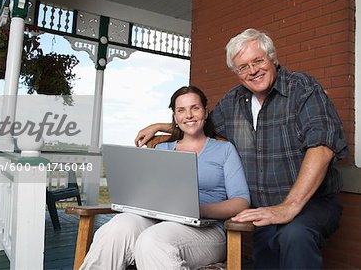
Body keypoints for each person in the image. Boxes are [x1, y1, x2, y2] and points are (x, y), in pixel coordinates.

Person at [135, 28, 348, 269]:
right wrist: (163, 126)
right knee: (265, 258)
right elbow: (202, 122)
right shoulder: (233, 101)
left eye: (258, 61)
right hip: (264, 212)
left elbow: (322, 146)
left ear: (273, 58)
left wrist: (289, 206)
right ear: (236, 72)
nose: (253, 71)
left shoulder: (303, 88)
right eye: (243, 67)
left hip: (310, 203)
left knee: (294, 236)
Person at [81, 86, 250, 269]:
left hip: (205, 230)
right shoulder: (162, 150)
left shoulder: (224, 150)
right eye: (181, 110)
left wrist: (199, 210)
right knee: (118, 226)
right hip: (158, 221)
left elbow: (241, 201)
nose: (189, 115)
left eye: (195, 108)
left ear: (205, 112)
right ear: (175, 117)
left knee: (151, 240)